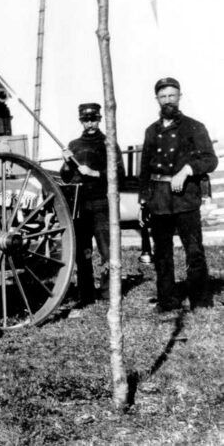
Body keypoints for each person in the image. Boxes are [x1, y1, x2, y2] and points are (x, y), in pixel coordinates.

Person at [138, 77, 218, 312]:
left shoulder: (194, 127)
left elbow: (210, 160)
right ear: (157, 100)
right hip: (159, 199)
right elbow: (144, 169)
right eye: (163, 96)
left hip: (185, 198)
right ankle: (167, 300)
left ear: (180, 96)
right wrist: (144, 201)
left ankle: (201, 301)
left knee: (194, 251)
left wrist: (187, 170)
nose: (168, 100)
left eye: (172, 95)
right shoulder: (151, 131)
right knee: (162, 253)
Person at [61, 103, 124, 306]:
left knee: (107, 250)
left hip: (101, 203)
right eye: (86, 120)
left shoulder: (109, 144)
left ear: (99, 119)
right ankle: (86, 294)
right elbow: (66, 177)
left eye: (94, 119)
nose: (90, 123)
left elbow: (120, 175)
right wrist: (65, 162)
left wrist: (96, 173)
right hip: (80, 205)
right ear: (81, 121)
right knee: (82, 251)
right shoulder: (74, 145)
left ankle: (108, 292)